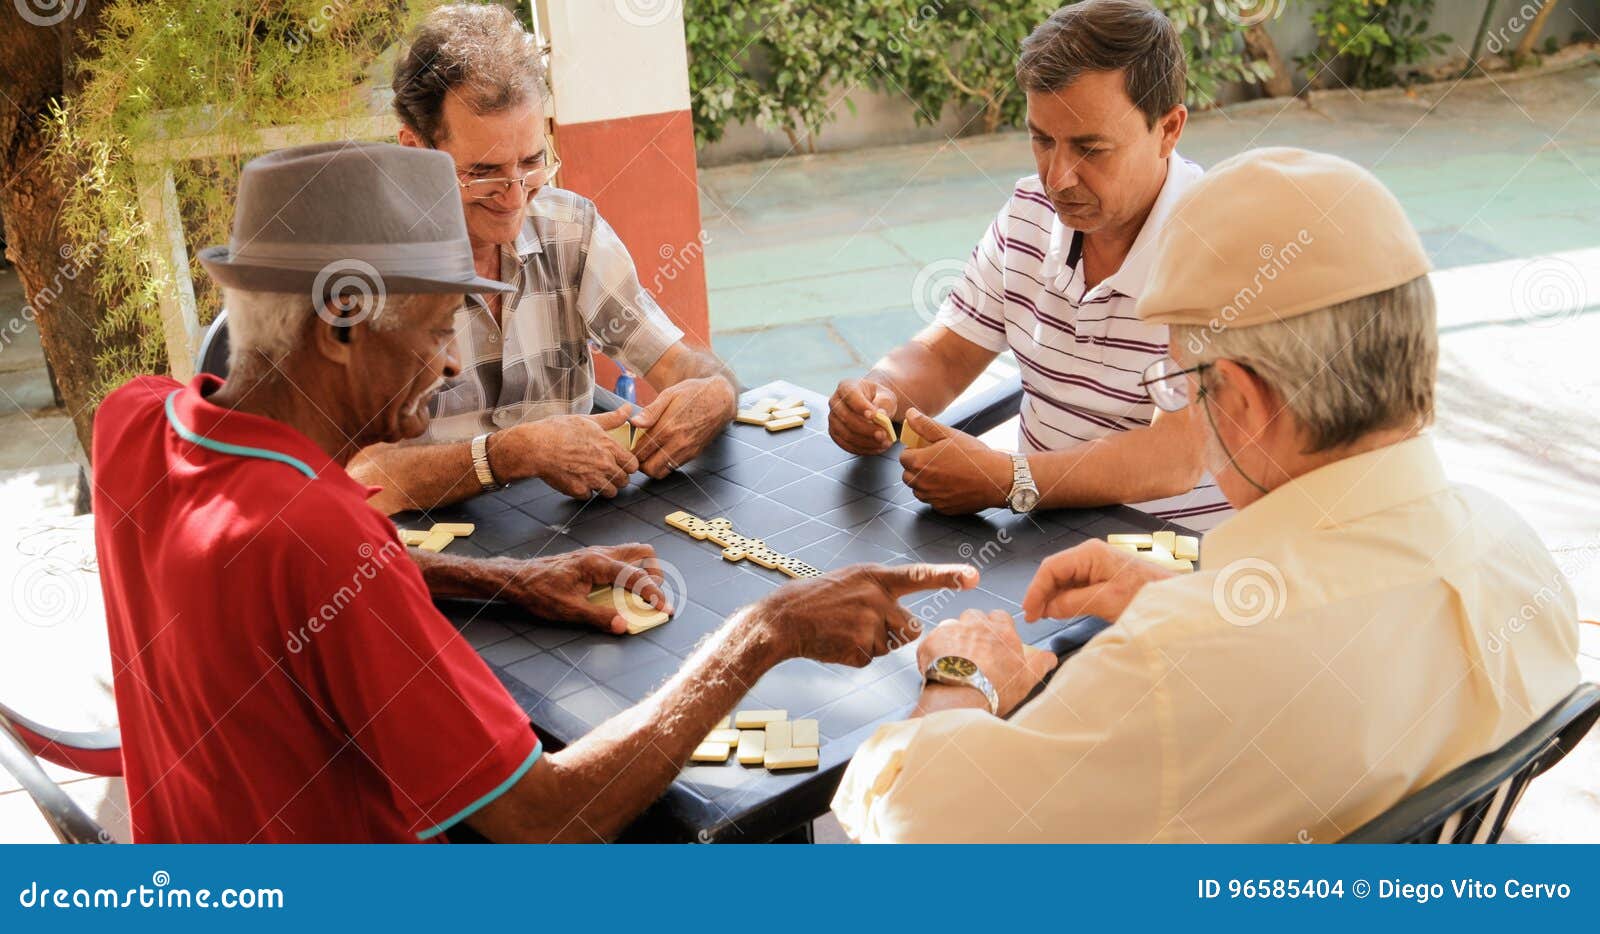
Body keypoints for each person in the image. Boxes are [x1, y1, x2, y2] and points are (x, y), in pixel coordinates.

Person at [93, 142, 974, 843]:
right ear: (341, 324)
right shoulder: (318, 539)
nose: (445, 361)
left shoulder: (134, 422)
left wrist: (506, 581)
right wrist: (767, 629)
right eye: (436, 331)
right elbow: (545, 820)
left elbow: (281, 591)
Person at [830, 148, 1583, 843]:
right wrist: (1203, 596)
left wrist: (962, 677)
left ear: (1246, 402)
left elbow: (918, 834)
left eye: (1188, 382)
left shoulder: (1178, 668)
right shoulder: (1518, 556)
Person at [828, 0, 1229, 531]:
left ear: (1169, 129)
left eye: (1092, 148)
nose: (1058, 177)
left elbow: (1176, 455)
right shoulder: (1030, 214)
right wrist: (878, 393)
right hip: (1040, 536)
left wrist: (1012, 480)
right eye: (1042, 140)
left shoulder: (1221, 244)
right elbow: (947, 355)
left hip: (1170, 561)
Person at [349, 3, 739, 514]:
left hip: (566, 536)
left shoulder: (569, 231)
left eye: (532, 162)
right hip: (424, 560)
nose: (514, 197)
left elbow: (678, 363)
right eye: (484, 173)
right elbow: (357, 477)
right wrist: (511, 454)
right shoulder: (362, 277)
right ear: (414, 151)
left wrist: (715, 393)